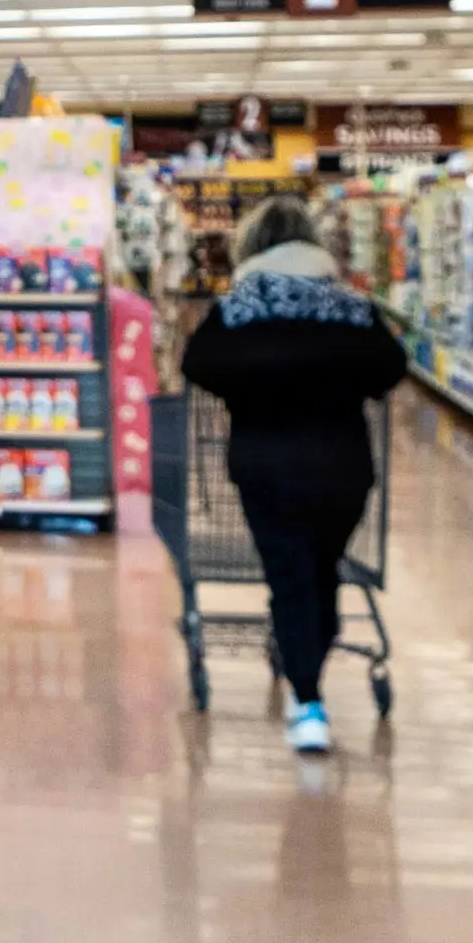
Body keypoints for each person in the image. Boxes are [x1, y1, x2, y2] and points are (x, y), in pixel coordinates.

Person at [179, 196, 405, 754]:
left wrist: (251, 392)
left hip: (265, 465)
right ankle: (307, 667)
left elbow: (197, 365)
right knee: (321, 569)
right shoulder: (350, 306)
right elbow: (390, 368)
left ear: (251, 247)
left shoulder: (237, 309)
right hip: (343, 466)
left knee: (290, 572)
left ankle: (308, 698)